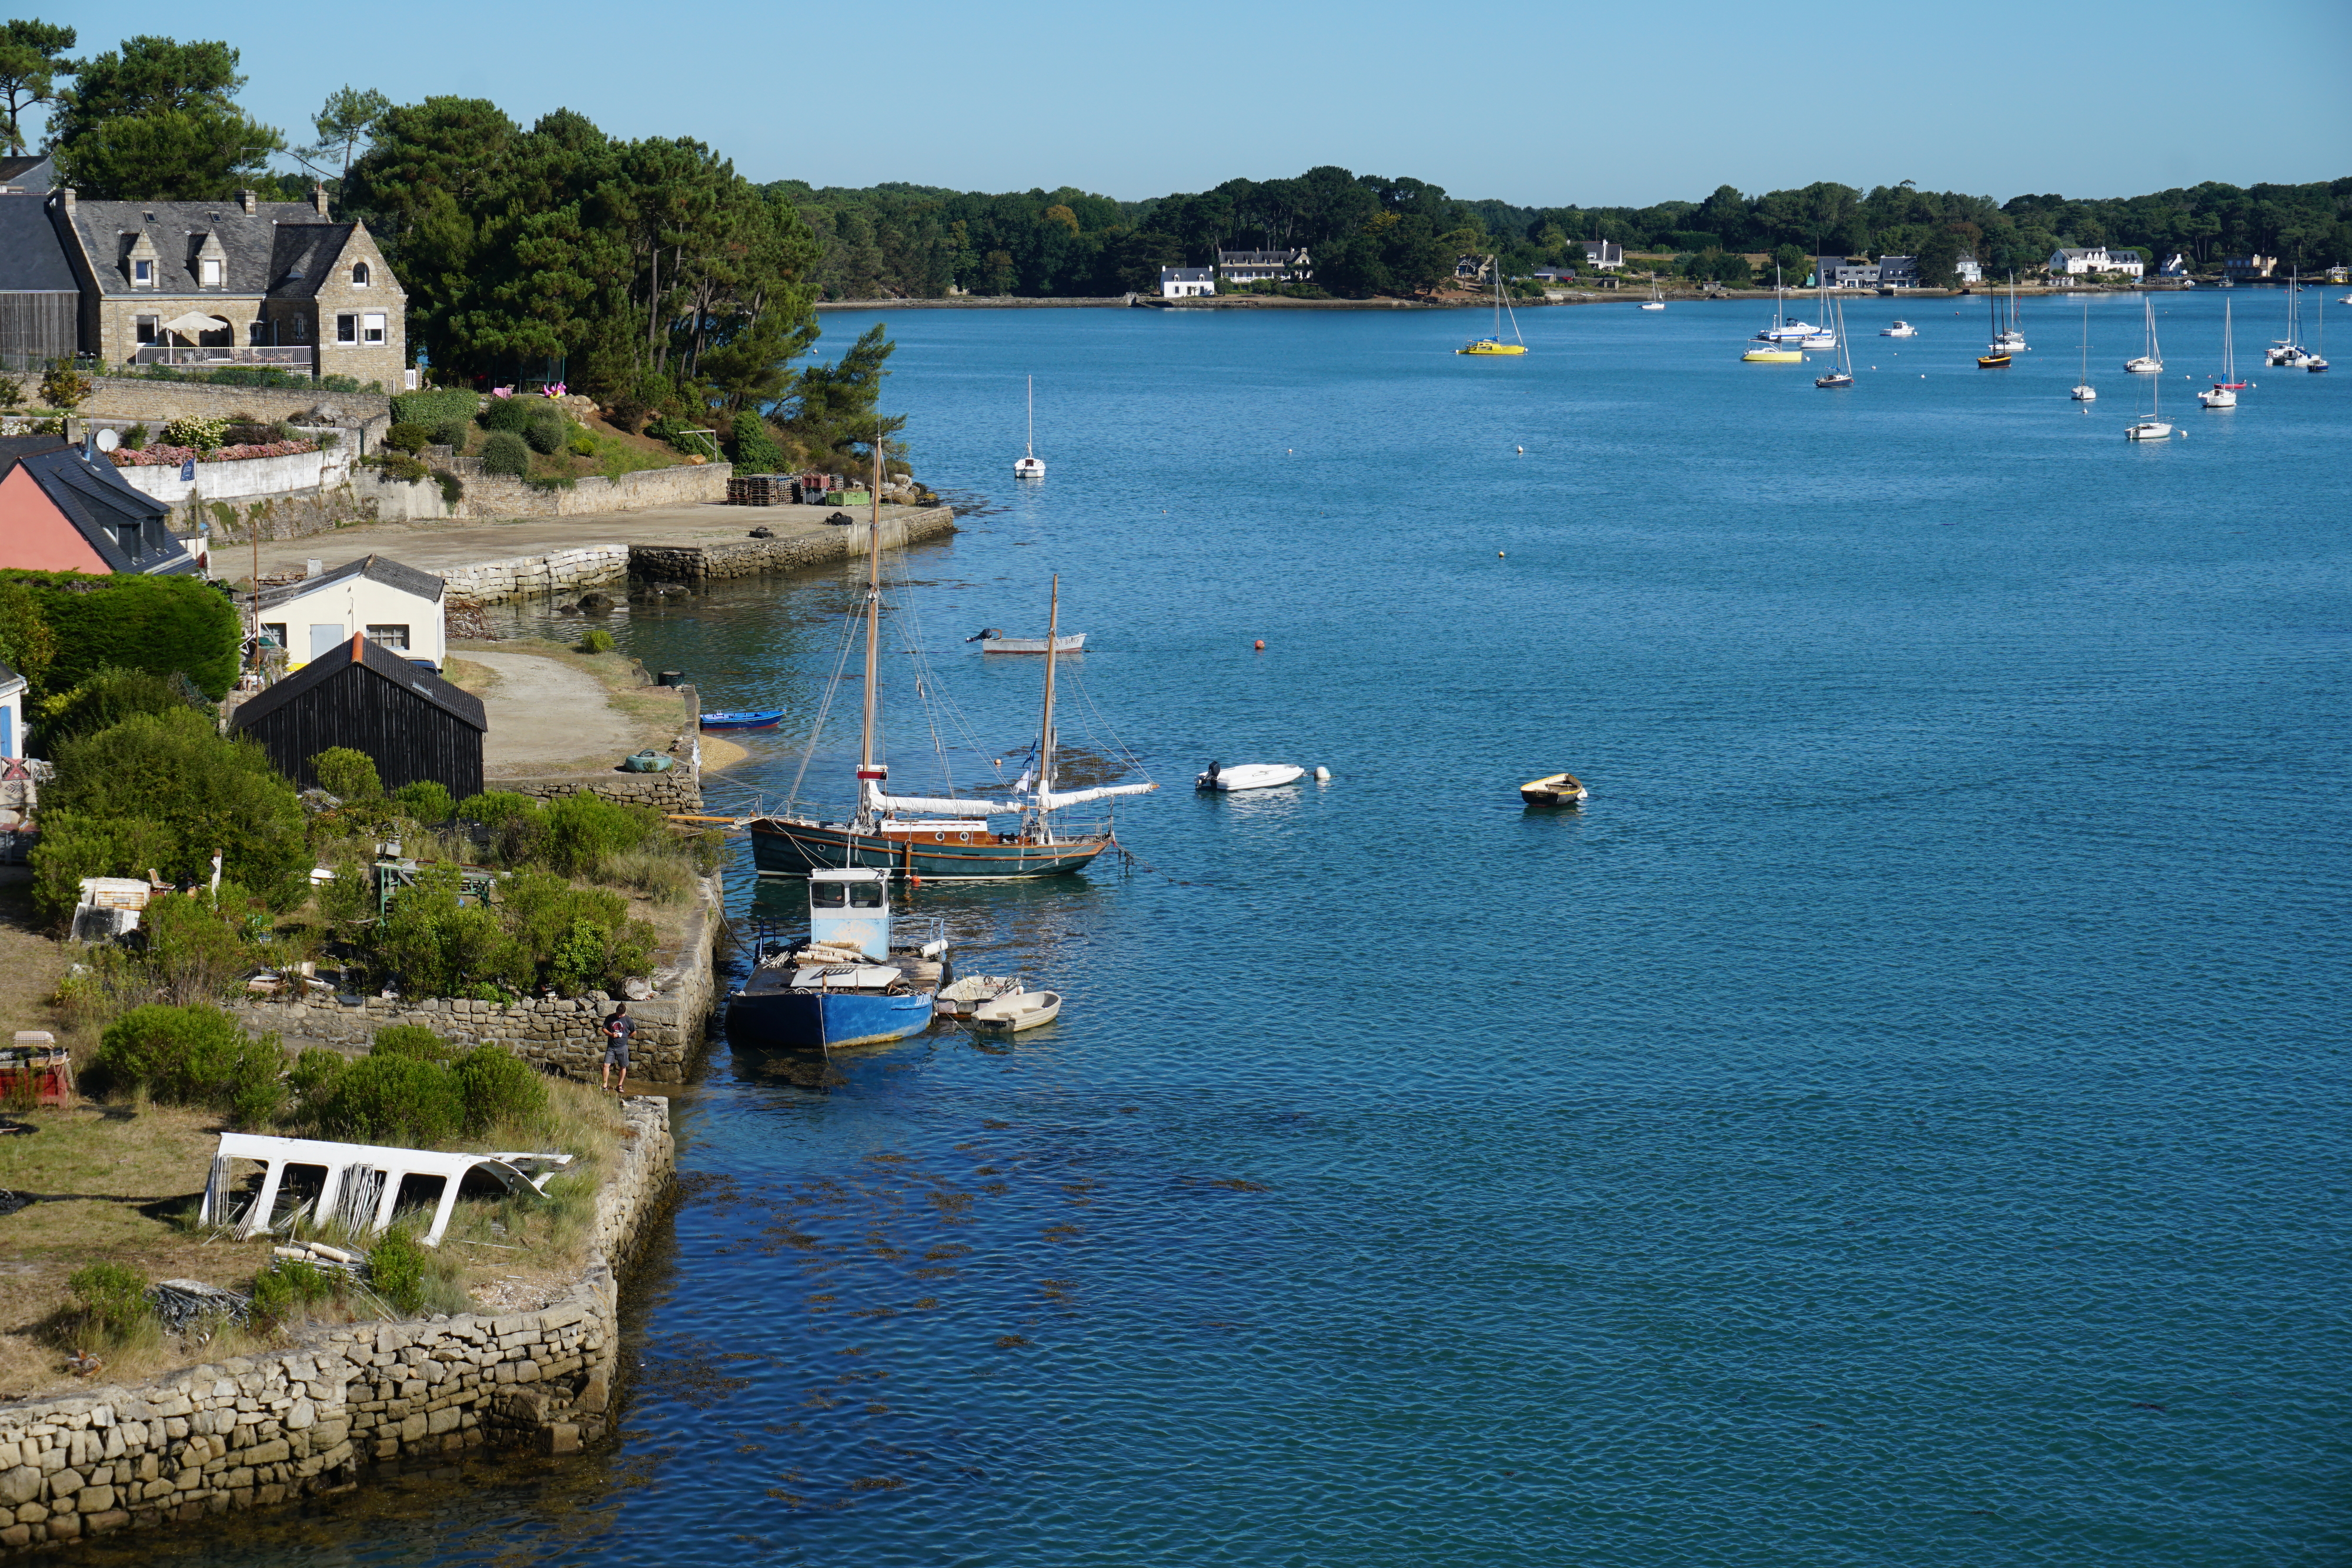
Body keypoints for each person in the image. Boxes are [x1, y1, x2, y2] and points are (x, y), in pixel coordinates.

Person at [601, 1004, 634, 1094]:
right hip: (611, 1047)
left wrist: (627, 1037)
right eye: (618, 1014)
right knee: (606, 1065)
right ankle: (605, 1085)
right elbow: (604, 1029)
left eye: (621, 1014)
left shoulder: (628, 1020)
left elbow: (634, 1032)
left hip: (622, 1046)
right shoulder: (610, 1018)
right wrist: (611, 1035)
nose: (619, 1016)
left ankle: (620, 1085)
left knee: (623, 1066)